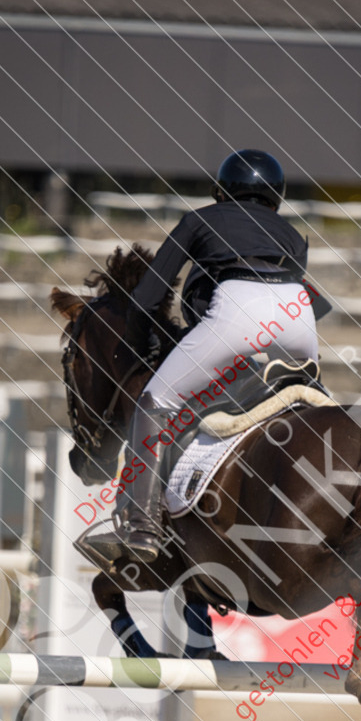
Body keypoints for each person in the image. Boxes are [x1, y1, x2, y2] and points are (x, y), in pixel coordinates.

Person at [101, 148, 322, 564]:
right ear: (276, 196)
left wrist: (140, 344)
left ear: (221, 191)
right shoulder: (292, 235)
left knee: (154, 403)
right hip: (300, 316)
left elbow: (148, 296)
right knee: (308, 398)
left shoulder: (200, 218)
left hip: (240, 309)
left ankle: (142, 524)